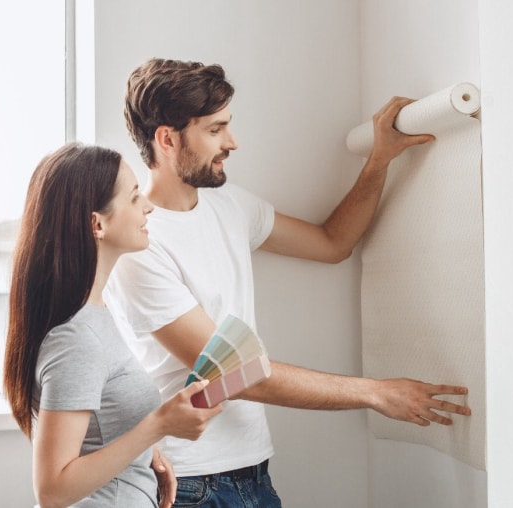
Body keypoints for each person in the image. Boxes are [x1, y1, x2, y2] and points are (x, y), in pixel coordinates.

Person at [105, 58, 473, 507]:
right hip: (190, 482)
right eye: (215, 130)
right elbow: (235, 376)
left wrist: (379, 159)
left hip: (252, 467)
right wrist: (374, 392)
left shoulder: (231, 207)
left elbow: (332, 242)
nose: (232, 142)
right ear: (167, 139)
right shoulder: (140, 244)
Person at [3, 142, 222, 508]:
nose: (148, 207)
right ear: (98, 223)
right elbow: (52, 491)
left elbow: (98, 429)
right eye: (135, 198)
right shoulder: (77, 338)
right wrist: (157, 426)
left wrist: (145, 455)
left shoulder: (95, 314)